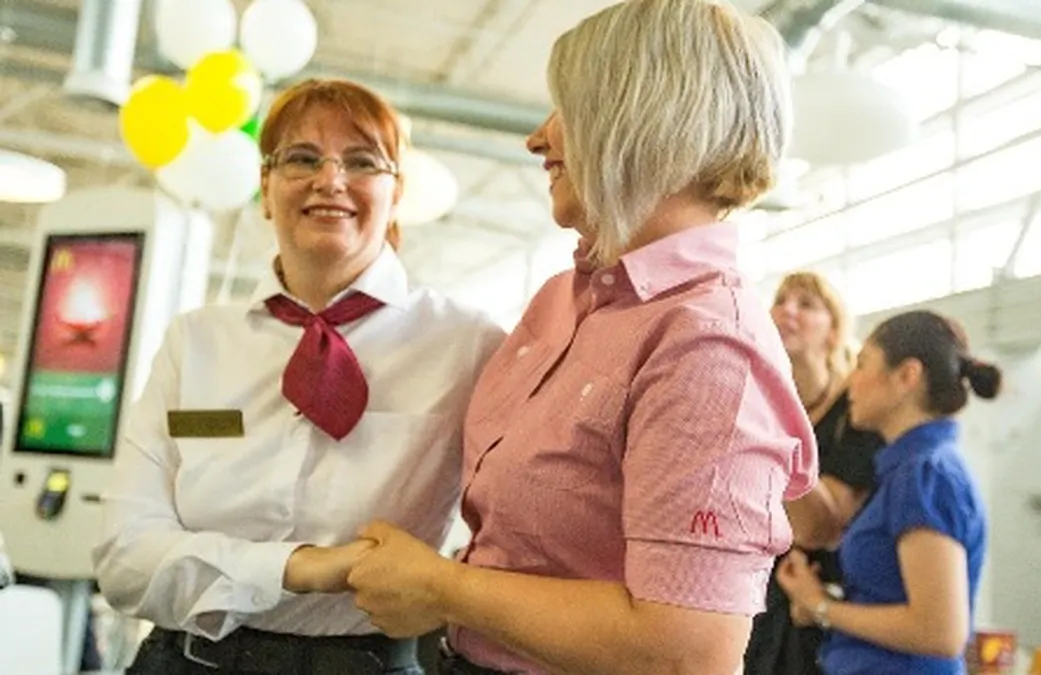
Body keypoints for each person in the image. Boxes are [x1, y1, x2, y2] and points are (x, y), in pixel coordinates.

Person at [342, 1, 818, 674]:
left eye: (566, 108)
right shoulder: (566, 300)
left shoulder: (709, 345)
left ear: (643, 117)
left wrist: (444, 588)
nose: (537, 138)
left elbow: (689, 651)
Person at [92, 78, 505, 675]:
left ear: (397, 194)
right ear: (265, 188)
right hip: (182, 661)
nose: (330, 180)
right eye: (301, 158)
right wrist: (302, 566)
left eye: (362, 161)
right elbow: (125, 558)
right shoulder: (196, 343)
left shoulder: (469, 346)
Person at [776, 309, 999, 674]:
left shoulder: (926, 474)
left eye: (862, 364)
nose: (851, 381)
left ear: (907, 376)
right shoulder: (902, 473)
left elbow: (940, 631)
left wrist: (822, 607)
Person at [743, 272, 885, 675]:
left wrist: (773, 418)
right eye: (781, 299)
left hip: (824, 612)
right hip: (762, 598)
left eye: (806, 304)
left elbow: (818, 527)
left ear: (834, 329)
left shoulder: (856, 412)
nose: (787, 310)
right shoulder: (764, 401)